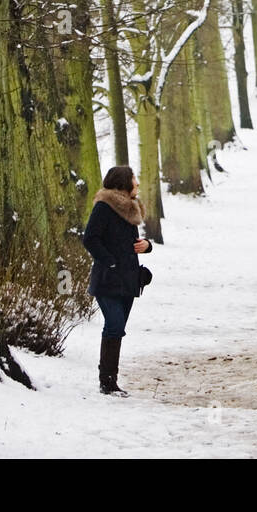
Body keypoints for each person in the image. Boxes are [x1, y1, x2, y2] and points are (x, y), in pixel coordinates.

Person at [82, 165, 152, 396]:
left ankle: (111, 380)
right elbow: (90, 238)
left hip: (128, 279)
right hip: (107, 279)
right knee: (114, 324)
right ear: (123, 182)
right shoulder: (104, 207)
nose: (137, 183)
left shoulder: (131, 209)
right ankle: (107, 381)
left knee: (118, 328)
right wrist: (110, 261)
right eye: (134, 179)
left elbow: (132, 244)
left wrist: (146, 246)